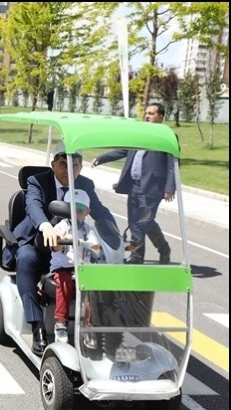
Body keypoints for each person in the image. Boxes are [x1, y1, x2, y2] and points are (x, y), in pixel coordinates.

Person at [11, 142, 115, 356]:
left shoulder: (85, 184)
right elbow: (33, 205)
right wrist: (46, 225)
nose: (69, 170)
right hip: (40, 244)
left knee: (104, 264)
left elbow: (100, 210)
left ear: (81, 167)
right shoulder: (37, 181)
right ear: (53, 165)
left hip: (74, 252)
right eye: (62, 164)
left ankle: (95, 325)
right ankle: (37, 326)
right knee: (25, 258)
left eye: (75, 165)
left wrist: (115, 232)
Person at [92, 102, 174, 265]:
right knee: (134, 223)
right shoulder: (139, 133)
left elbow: (173, 164)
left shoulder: (167, 135)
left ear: (161, 116)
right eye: (146, 113)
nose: (147, 116)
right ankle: (137, 256)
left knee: (146, 221)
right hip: (134, 186)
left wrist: (170, 187)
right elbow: (123, 150)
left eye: (151, 113)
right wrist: (102, 158)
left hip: (152, 187)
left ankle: (164, 248)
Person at [49, 189, 100, 344]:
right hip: (63, 268)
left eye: (79, 211)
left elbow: (96, 247)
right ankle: (60, 323)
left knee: (92, 286)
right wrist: (62, 239)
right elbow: (55, 246)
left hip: (83, 270)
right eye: (71, 210)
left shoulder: (89, 230)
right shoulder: (61, 227)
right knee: (64, 283)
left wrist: (99, 246)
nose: (75, 214)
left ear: (87, 212)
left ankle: (88, 325)